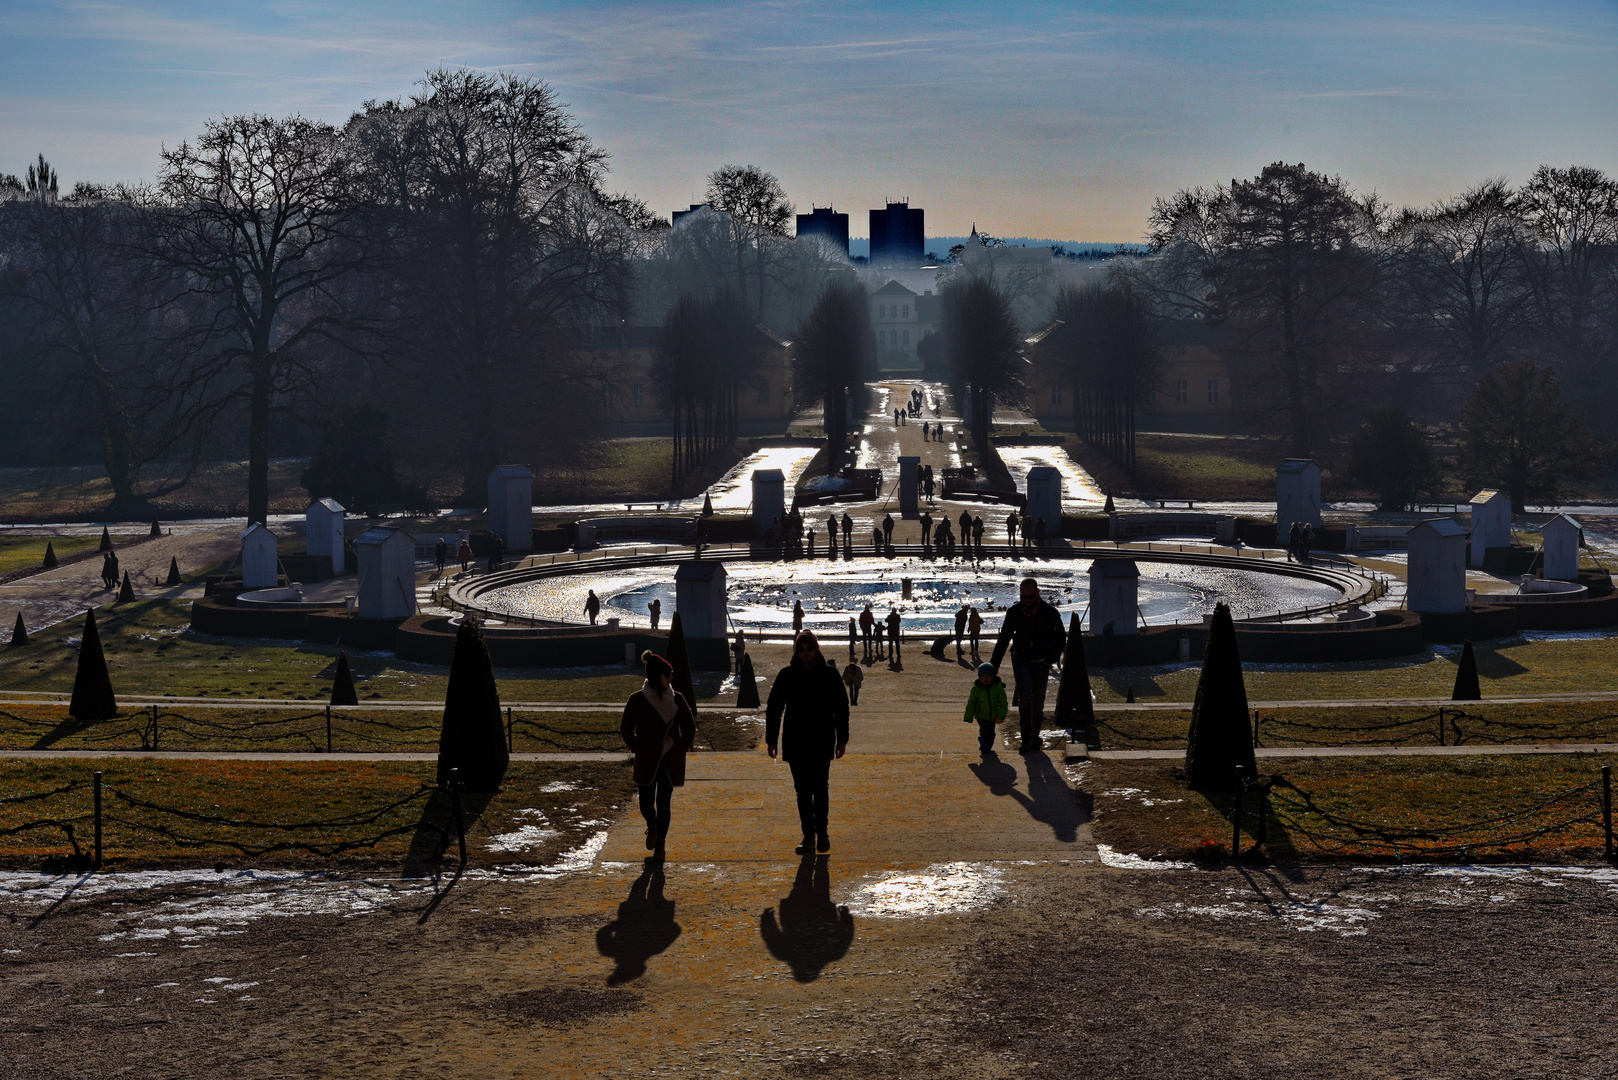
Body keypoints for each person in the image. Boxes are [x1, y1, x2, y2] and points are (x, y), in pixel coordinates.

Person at [766, 631, 850, 855]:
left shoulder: (830, 675)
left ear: (816, 650)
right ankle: (808, 836)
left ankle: (822, 834)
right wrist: (771, 740)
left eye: (809, 648)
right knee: (802, 791)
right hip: (795, 740)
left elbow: (842, 709)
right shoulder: (786, 675)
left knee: (820, 789)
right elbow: (774, 708)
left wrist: (842, 739)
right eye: (801, 649)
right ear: (796, 651)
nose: (805, 652)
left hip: (822, 739)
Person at [619, 650, 696, 861]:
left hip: (669, 761)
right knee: (645, 804)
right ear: (655, 676)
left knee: (664, 803)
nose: (671, 677)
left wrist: (682, 747)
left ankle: (661, 845)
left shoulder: (677, 699)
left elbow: (690, 727)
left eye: (671, 673)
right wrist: (638, 748)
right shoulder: (637, 700)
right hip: (647, 760)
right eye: (667, 674)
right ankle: (651, 826)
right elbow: (626, 728)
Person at [990, 577, 1068, 755]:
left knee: (1038, 703)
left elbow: (1061, 637)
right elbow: (1004, 639)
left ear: (1037, 593)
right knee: (1025, 698)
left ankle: (1035, 736)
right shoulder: (1014, 612)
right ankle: (1026, 739)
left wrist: (1051, 659)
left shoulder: (1049, 612)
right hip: (1021, 659)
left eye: (1030, 597)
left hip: (1042, 662)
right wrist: (994, 665)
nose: (1026, 601)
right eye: (1023, 597)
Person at [963, 662, 1009, 753]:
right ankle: (984, 746)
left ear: (992, 676)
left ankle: (988, 744)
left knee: (991, 732)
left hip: (993, 716)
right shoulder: (976, 689)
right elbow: (971, 703)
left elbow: (1003, 703)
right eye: (982, 676)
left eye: (988, 676)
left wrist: (1001, 716)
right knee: (984, 731)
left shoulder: (998, 689)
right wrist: (968, 716)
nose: (985, 678)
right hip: (981, 715)